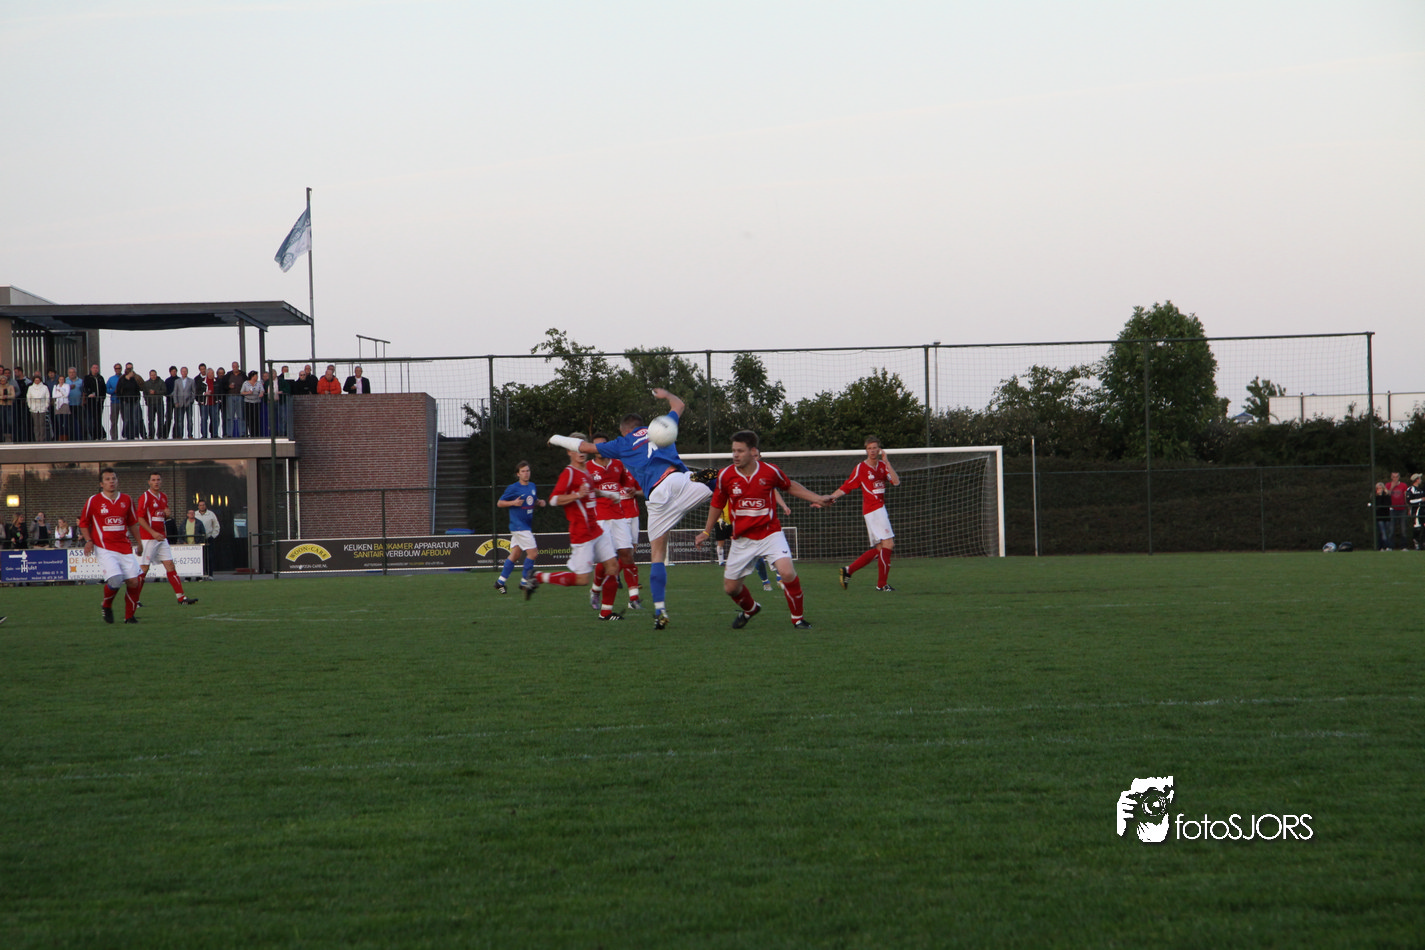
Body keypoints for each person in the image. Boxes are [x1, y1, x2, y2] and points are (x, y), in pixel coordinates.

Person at [549, 388, 718, 630]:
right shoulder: (661, 425)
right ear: (642, 425)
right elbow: (679, 405)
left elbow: (584, 447)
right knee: (721, 479)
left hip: (657, 497)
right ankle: (735, 508)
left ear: (623, 430)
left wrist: (556, 438)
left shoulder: (622, 443)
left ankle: (660, 610)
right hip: (680, 481)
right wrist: (665, 395)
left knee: (657, 555)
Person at [693, 430, 831, 629]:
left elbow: (789, 486)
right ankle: (750, 609)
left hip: (770, 533)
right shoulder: (725, 475)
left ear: (753, 451)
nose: (735, 455)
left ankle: (798, 619)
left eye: (740, 451)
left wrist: (818, 498)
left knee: (787, 572)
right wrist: (706, 532)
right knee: (731, 588)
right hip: (742, 539)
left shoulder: (770, 471)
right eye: (733, 451)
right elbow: (717, 503)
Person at [521, 433, 625, 621]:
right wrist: (577, 495)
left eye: (582, 447)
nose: (580, 452)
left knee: (612, 567)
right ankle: (538, 577)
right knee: (582, 580)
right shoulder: (569, 473)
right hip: (581, 533)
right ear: (569, 452)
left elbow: (590, 491)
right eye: (576, 449)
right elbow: (553, 499)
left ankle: (606, 613)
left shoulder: (586, 471)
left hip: (596, 530)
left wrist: (607, 494)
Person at [79, 467, 164, 623]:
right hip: (104, 548)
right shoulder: (93, 501)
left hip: (124, 548)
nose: (111, 482)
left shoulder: (126, 499)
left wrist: (139, 543)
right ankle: (106, 605)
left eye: (114, 478)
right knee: (116, 580)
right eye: (107, 479)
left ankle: (129, 617)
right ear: (101, 484)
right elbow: (84, 523)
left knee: (134, 581)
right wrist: (89, 540)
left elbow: (132, 524)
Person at [829, 436, 901, 591]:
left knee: (880, 549)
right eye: (869, 448)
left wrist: (887, 462)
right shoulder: (861, 468)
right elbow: (847, 486)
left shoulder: (883, 466)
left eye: (875, 448)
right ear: (866, 450)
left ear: (879, 450)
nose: (872, 451)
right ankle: (882, 585)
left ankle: (849, 570)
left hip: (878, 509)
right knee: (889, 544)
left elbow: (896, 482)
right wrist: (829, 498)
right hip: (874, 510)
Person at [590, 434, 644, 610]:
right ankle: (595, 590)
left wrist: (630, 489)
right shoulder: (588, 468)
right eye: (597, 446)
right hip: (600, 519)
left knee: (627, 554)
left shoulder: (618, 465)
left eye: (603, 445)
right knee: (606, 560)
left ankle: (634, 598)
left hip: (619, 516)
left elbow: (626, 484)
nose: (600, 448)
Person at [135, 471, 198, 607]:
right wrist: (153, 532)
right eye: (153, 480)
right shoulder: (145, 497)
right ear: (149, 482)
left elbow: (162, 516)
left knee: (170, 565)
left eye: (158, 479)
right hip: (149, 538)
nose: (156, 482)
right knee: (144, 568)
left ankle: (181, 597)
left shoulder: (163, 497)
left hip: (161, 537)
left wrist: (167, 516)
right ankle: (134, 600)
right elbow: (140, 518)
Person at [493, 461, 545, 593]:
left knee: (515, 554)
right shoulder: (513, 488)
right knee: (533, 553)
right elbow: (500, 503)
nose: (526, 473)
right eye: (523, 471)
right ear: (518, 474)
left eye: (527, 471)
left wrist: (539, 502)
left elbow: (532, 500)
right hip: (519, 526)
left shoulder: (532, 486)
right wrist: (513, 502)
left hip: (525, 525)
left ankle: (500, 582)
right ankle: (524, 582)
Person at [116, 366, 143, 439]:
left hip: (134, 402)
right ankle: (125, 434)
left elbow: (137, 389)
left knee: (135, 418)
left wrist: (137, 398)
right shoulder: (122, 380)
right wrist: (122, 399)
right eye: (131, 372)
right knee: (126, 419)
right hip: (126, 402)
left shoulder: (133, 380)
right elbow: (118, 390)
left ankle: (135, 435)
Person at [194, 499, 221, 574]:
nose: (202, 507)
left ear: (205, 506)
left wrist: (213, 536)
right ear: (198, 506)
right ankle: (200, 574)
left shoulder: (211, 514)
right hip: (198, 540)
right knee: (199, 557)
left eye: (203, 505)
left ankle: (210, 574)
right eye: (200, 505)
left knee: (209, 557)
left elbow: (216, 526)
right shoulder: (195, 514)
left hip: (208, 538)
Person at [1386, 472, 1409, 551]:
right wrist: (1392, 487)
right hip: (1392, 509)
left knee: (1403, 529)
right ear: (1391, 477)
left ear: (1399, 477)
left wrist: (1408, 507)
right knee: (1391, 529)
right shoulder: (1388, 485)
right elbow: (1387, 495)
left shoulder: (1403, 485)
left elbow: (1405, 496)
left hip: (1402, 509)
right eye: (1393, 477)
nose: (1395, 478)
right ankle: (1390, 546)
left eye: (1396, 477)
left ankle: (1404, 546)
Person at [83, 364, 107, 440]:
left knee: (98, 419)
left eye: (96, 368)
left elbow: (104, 388)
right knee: (92, 420)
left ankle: (100, 435)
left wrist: (103, 397)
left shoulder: (100, 378)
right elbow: (85, 387)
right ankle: (94, 436)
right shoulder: (87, 378)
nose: (95, 369)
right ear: (91, 369)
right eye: (94, 368)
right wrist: (89, 394)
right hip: (91, 402)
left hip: (99, 402)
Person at [171, 366, 195, 439]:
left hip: (188, 403)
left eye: (185, 371)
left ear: (187, 372)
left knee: (189, 420)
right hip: (180, 403)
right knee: (180, 420)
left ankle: (190, 435)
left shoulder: (191, 381)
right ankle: (180, 435)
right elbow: (175, 392)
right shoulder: (177, 381)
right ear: (181, 372)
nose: (184, 372)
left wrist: (191, 400)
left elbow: (194, 392)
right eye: (183, 371)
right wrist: (176, 402)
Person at [142, 369, 167, 439]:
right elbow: (145, 393)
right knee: (151, 420)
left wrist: (155, 392)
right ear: (149, 375)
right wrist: (147, 401)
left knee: (160, 420)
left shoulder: (161, 382)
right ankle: (151, 435)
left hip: (159, 403)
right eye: (152, 375)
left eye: (154, 375)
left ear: (156, 375)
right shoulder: (146, 383)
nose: (153, 376)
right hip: (151, 404)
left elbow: (164, 391)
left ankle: (160, 435)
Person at [27, 373, 50, 442]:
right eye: (35, 380)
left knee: (42, 424)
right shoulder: (31, 388)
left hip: (42, 407)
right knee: (36, 424)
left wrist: (46, 406)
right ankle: (37, 438)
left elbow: (47, 397)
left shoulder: (44, 387)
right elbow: (28, 397)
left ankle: (42, 438)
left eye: (38, 380)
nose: (37, 381)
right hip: (34, 408)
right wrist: (30, 406)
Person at [241, 371, 264, 437]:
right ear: (252, 376)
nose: (257, 377)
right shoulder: (246, 383)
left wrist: (261, 393)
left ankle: (257, 434)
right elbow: (242, 392)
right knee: (249, 418)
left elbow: (262, 390)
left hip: (256, 402)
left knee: (256, 418)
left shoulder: (259, 383)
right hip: (248, 402)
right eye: (256, 376)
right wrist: (248, 393)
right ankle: (251, 433)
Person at [198, 368, 219, 438]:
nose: (213, 374)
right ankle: (204, 435)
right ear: (208, 374)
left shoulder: (216, 381)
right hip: (205, 403)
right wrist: (204, 393)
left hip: (214, 403)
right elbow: (198, 391)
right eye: (211, 373)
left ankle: (215, 434)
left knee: (215, 419)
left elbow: (219, 390)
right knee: (204, 419)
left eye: (213, 373)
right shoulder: (202, 381)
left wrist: (218, 399)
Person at [105, 362, 124, 439]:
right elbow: (106, 389)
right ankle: (114, 437)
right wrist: (113, 391)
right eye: (116, 368)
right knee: (113, 420)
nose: (118, 370)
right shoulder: (111, 379)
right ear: (114, 369)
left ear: (121, 369)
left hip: (123, 402)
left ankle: (125, 435)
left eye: (119, 368)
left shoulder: (124, 377)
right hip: (114, 401)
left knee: (126, 420)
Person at [1374, 482, 1392, 551]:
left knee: (1387, 531)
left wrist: (1383, 495)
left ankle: (1386, 546)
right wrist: (1379, 496)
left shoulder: (1387, 496)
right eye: (1378, 488)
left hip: (1386, 515)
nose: (1380, 490)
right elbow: (1377, 505)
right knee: (1382, 532)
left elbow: (1388, 504)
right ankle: (1385, 546)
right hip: (1379, 516)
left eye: (1381, 488)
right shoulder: (1375, 496)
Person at [1408, 474, 1424, 551]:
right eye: (1419, 478)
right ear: (1416, 479)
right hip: (1416, 511)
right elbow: (1409, 501)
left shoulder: (1421, 489)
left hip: (1422, 511)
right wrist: (1420, 499)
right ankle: (1416, 543)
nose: (1421, 480)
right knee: (1417, 528)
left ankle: (1422, 543)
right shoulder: (1411, 489)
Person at [0, 368, 15, 442]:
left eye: (4, 380)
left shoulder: (10, 387)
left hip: (9, 405)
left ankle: (9, 437)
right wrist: (2, 397)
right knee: (2, 421)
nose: (3, 382)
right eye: (1, 380)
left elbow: (13, 395)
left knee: (9, 422)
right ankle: (2, 437)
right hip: (1, 405)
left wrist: (7, 397)